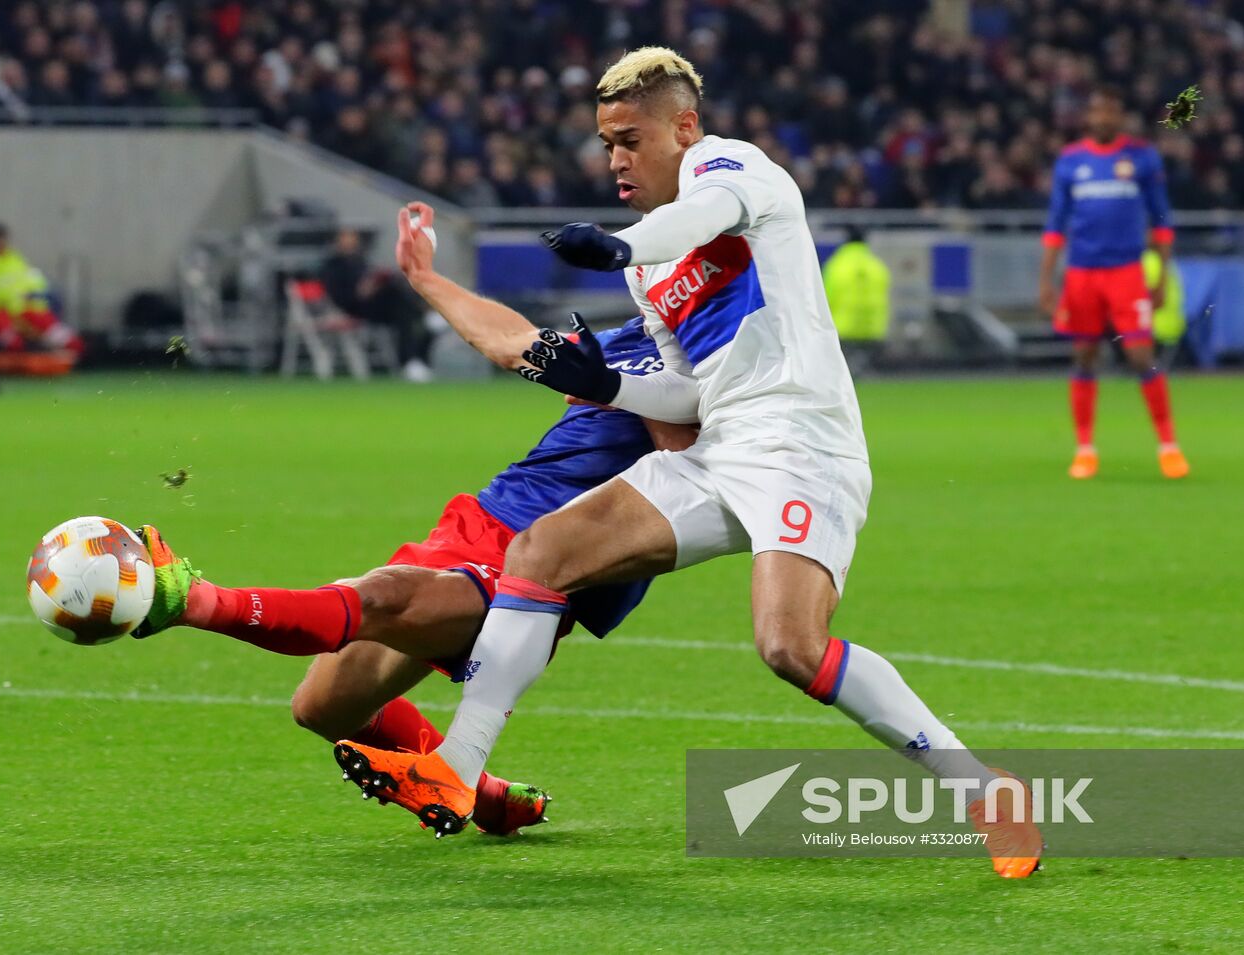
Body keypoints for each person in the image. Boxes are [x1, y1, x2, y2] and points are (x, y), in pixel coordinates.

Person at [336, 49, 1041, 879]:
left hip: (798, 442)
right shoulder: (653, 272)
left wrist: (619, 248)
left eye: (630, 139)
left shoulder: (735, 170)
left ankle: (982, 791)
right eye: (606, 144)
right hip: (720, 445)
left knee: (790, 646)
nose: (616, 160)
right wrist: (600, 380)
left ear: (684, 126)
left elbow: (692, 215)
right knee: (541, 553)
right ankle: (455, 769)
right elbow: (683, 392)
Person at [132, 207, 696, 836]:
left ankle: (191, 599)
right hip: (481, 520)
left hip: (546, 556)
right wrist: (426, 278)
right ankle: (480, 797)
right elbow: (512, 342)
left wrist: (618, 389)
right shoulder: (628, 339)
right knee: (323, 707)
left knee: (383, 596)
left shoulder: (714, 363)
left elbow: (686, 464)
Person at [1038, 86, 1189, 481]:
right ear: (1088, 117)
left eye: (1110, 111)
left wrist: (1163, 276)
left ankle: (1168, 445)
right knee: (1084, 356)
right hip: (1082, 273)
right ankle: (1085, 449)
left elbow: (1162, 222)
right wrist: (1046, 281)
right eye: (1097, 111)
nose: (1103, 118)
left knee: (1142, 357)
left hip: (1126, 272)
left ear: (1120, 117)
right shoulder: (1071, 161)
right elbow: (1056, 227)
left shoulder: (1141, 157)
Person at [320, 228, 433, 381]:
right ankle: (423, 316)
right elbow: (341, 295)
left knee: (400, 296)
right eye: (346, 237)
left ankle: (414, 357)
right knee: (402, 304)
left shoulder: (360, 260)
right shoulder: (332, 266)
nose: (350, 241)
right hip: (355, 307)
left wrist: (375, 284)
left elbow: (370, 278)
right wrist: (361, 291)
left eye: (353, 237)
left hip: (378, 304)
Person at [0, 224, 85, 358]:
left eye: (1, 240)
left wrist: (35, 297)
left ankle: (50, 353)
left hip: (30, 310)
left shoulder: (17, 260)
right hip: (4, 313)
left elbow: (36, 284)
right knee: (13, 342)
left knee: (72, 342)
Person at [822, 227, 892, 375]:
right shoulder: (877, 265)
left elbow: (825, 297)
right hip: (873, 328)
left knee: (844, 373)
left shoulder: (836, 265)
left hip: (844, 327)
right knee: (862, 369)